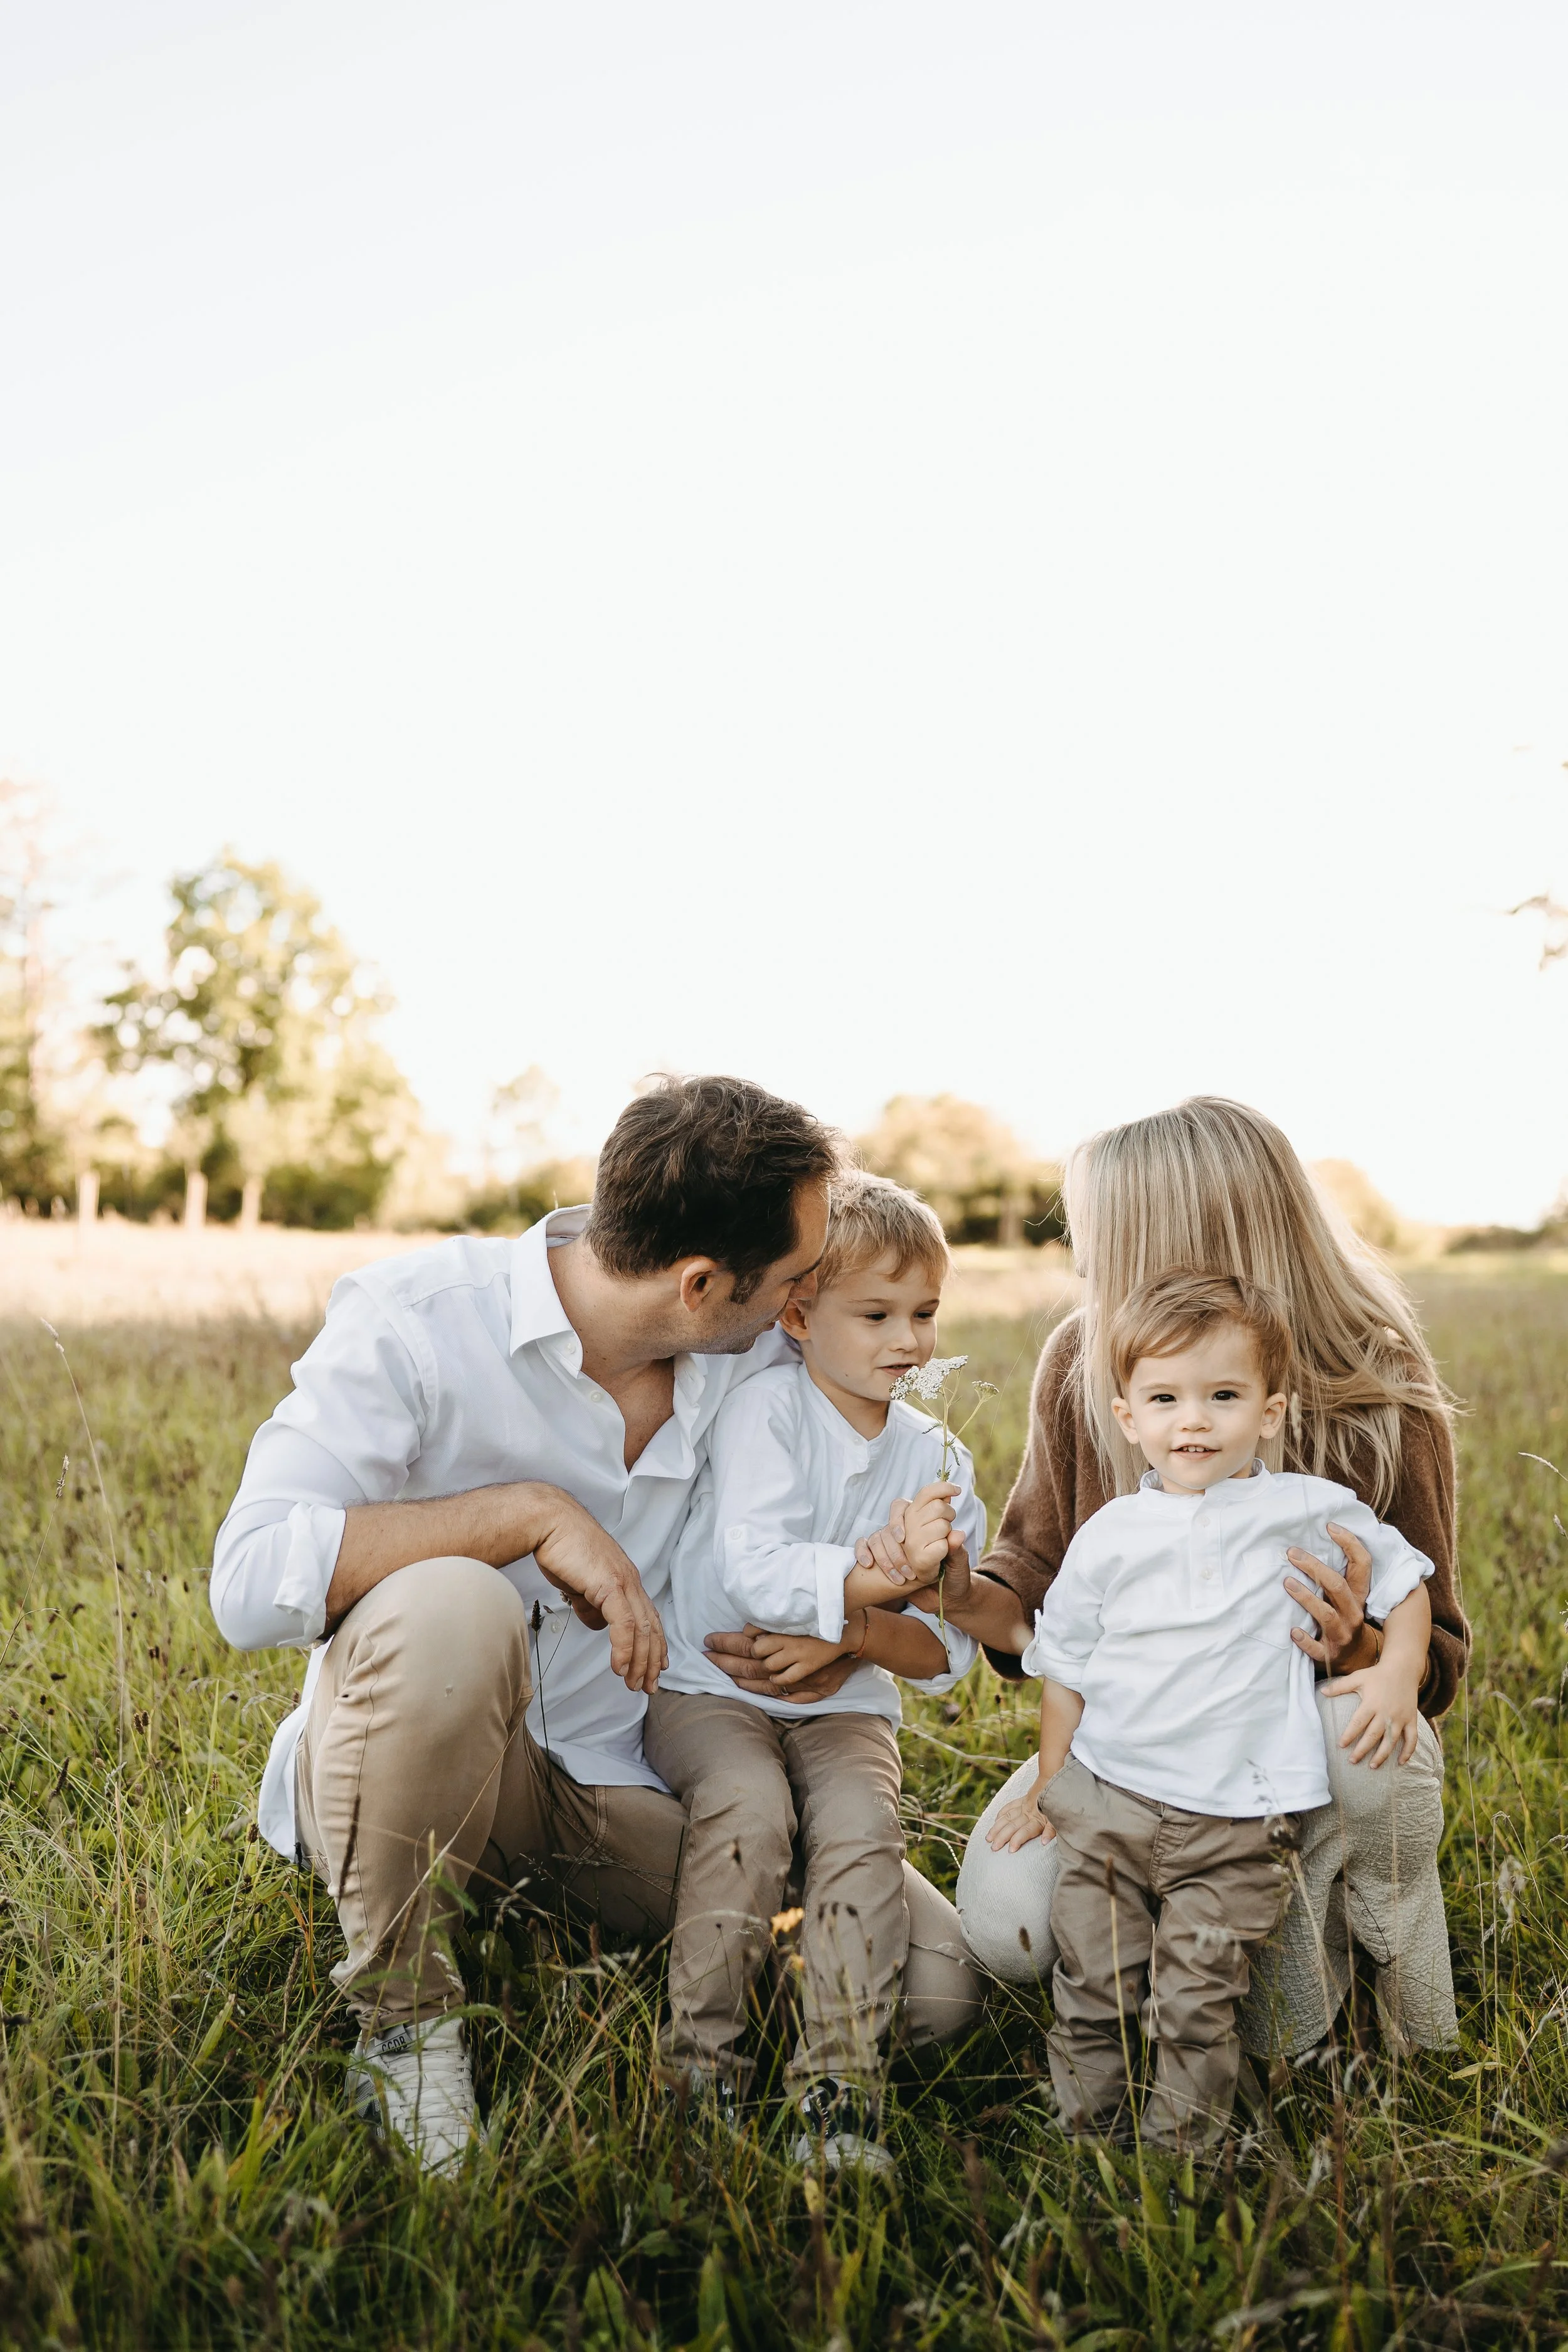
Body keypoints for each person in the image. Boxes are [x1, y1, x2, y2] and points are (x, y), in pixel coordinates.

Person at [210, 1074, 978, 2175]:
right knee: (454, 1599)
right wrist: (525, 1514)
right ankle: (407, 2025)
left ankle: (553, 1924)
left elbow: (885, 1458)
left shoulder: (758, 1350)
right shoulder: (418, 1321)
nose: (807, 1297)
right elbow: (247, 1578)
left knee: (933, 1985)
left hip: (636, 1785)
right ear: (702, 1285)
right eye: (795, 1277)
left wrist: (860, 1618)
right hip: (432, 1762)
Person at [948, 1097, 1467, 2062]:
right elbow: (1032, 1578)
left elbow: (1435, 1655)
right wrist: (957, 1588)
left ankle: (1356, 1961)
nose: (1082, 1271)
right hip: (1144, 1735)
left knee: (1352, 1752)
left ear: (1176, 1248)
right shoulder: (1086, 1361)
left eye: (1099, 1247)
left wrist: (1356, 1640)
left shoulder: (1379, 1388)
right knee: (1010, 1918)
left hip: (1295, 1734)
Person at [987, 1269, 1435, 2147]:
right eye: (1166, 1398)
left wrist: (1397, 1670)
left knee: (1198, 2002)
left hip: (1236, 1819)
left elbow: (1407, 1579)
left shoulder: (1303, 1509)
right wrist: (1050, 1784)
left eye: (1222, 1396)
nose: (1192, 1420)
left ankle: (1179, 2162)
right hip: (1110, 1803)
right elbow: (1065, 1670)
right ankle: (1089, 2143)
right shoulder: (1108, 1535)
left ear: (1270, 1411)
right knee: (1094, 1986)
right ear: (1129, 1418)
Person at [644, 1173, 982, 2171]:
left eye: (925, 1312)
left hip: (848, 1707)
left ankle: (838, 2088)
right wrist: (882, 1576)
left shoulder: (937, 1460)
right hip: (713, 1687)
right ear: (798, 1317)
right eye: (876, 1314)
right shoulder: (768, 1411)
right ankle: (699, 2070)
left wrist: (866, 1626)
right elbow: (755, 1570)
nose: (909, 1340)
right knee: (749, 1812)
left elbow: (947, 1652)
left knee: (863, 1827)